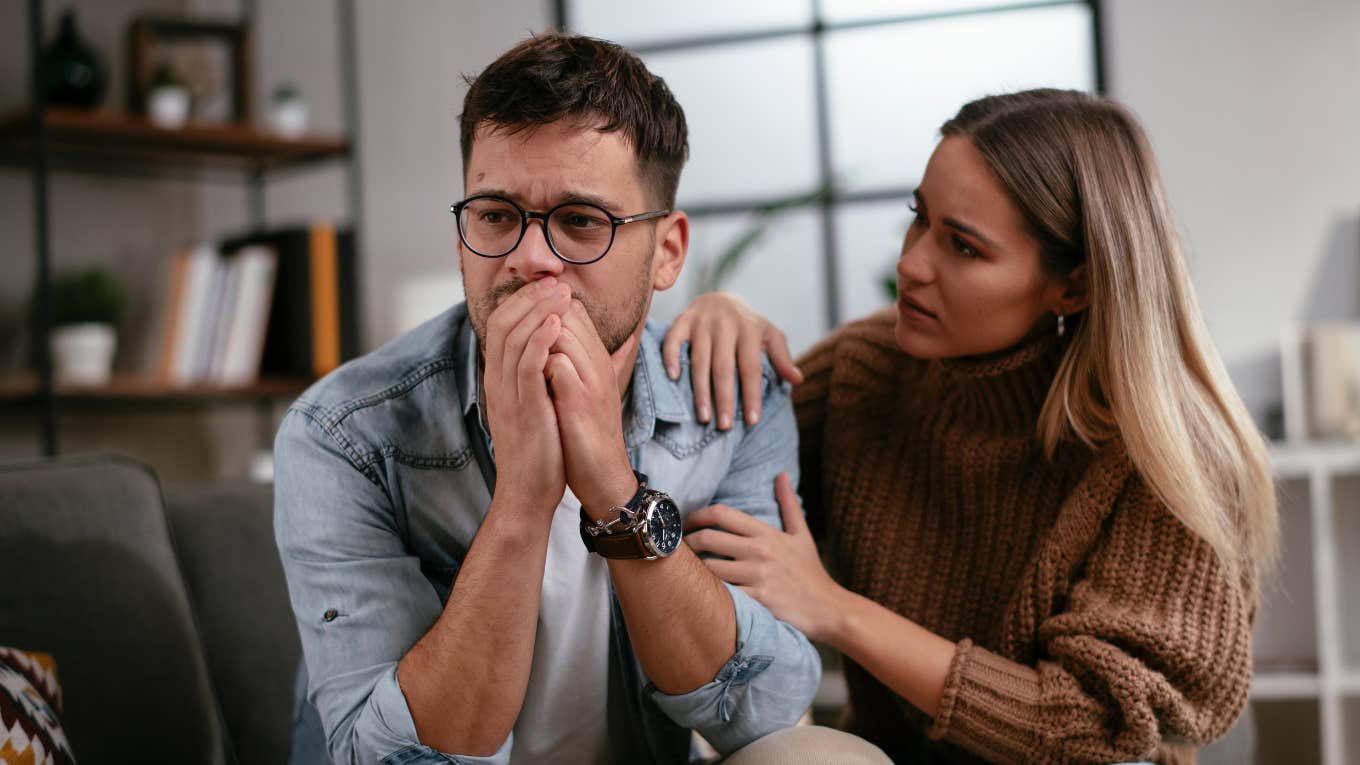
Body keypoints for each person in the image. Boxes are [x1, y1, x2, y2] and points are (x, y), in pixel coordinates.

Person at [273, 33, 878, 765]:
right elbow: (384, 758)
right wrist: (525, 499)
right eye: (496, 215)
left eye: (581, 221)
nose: (531, 258)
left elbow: (763, 712)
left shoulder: (728, 390)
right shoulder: (343, 431)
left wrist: (615, 491)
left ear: (668, 253)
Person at [663, 88, 1277, 764]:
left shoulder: (1167, 455)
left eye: (963, 246)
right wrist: (721, 323)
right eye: (918, 218)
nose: (911, 263)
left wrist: (836, 608)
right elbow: (711, 479)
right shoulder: (865, 371)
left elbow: (1097, 729)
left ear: (1072, 286)